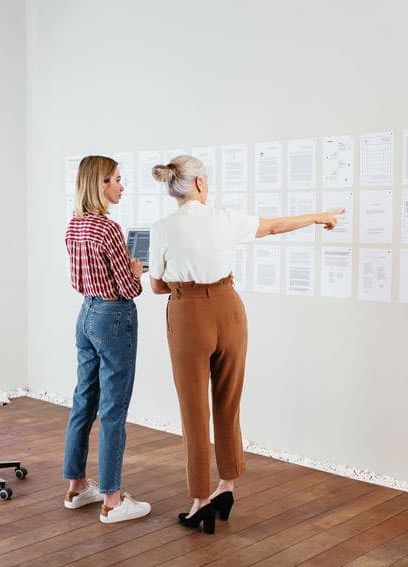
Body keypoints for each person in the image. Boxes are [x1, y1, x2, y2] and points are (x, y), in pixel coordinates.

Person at [149, 155, 342, 534]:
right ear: (200, 184)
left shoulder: (162, 228)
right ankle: (227, 484)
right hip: (230, 309)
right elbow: (272, 227)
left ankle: (200, 501)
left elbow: (156, 285)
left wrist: (182, 284)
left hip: (188, 315)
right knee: (228, 399)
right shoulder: (225, 218)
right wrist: (318, 216)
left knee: (193, 409)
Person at [62, 155, 151, 524]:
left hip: (86, 315)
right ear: (99, 185)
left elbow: (77, 279)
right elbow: (130, 289)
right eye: (115, 179)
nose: (121, 186)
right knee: (113, 409)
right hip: (114, 316)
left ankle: (77, 486)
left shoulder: (74, 226)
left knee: (83, 401)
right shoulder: (108, 229)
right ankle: (113, 500)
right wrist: (135, 270)